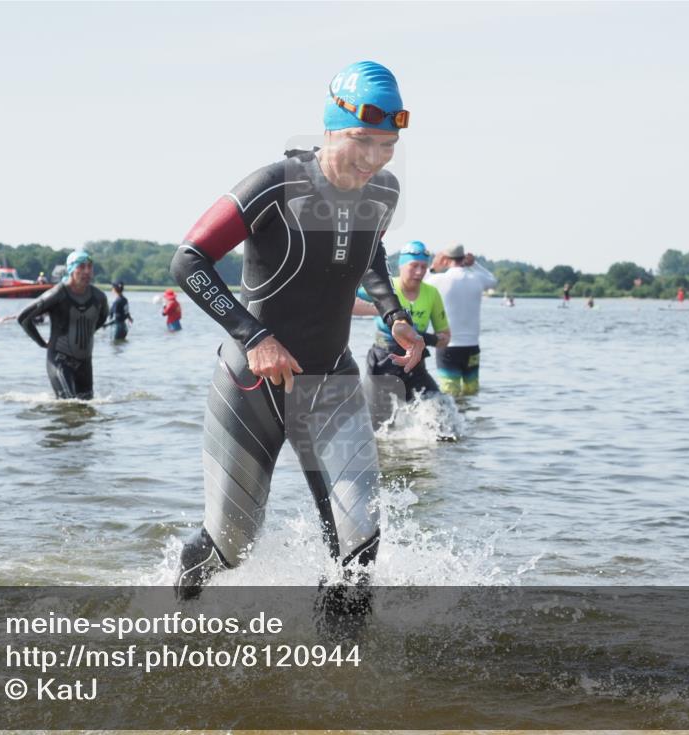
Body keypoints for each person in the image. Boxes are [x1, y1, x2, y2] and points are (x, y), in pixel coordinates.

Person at [169, 60, 423, 599]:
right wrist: (254, 336)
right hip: (250, 387)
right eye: (362, 140)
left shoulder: (384, 194)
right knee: (229, 546)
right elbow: (189, 261)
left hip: (331, 382)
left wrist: (394, 314)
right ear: (331, 127)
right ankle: (175, 627)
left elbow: (370, 252)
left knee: (360, 548)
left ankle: (339, 678)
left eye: (387, 145)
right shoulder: (274, 184)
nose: (374, 158)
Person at [354, 240, 449, 412]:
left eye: (423, 266)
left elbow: (445, 338)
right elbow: (347, 300)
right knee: (377, 422)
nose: (419, 272)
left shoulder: (432, 293)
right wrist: (381, 311)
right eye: (414, 266)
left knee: (441, 410)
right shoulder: (386, 287)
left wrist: (428, 338)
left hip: (415, 363)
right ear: (401, 266)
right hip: (384, 361)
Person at [17, 250, 109, 400]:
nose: (87, 271)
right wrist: (41, 343)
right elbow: (23, 318)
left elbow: (102, 318)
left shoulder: (99, 297)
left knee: (87, 409)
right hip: (60, 362)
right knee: (70, 406)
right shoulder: (58, 294)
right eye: (82, 266)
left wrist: (87, 333)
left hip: (85, 364)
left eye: (90, 266)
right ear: (71, 269)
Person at [425, 244, 497, 396]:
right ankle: (469, 417)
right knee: (472, 390)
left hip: (447, 345)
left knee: (450, 393)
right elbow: (493, 281)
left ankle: (456, 419)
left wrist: (433, 267)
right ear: (463, 257)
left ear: (445, 259)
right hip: (472, 346)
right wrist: (475, 264)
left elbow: (417, 282)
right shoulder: (477, 278)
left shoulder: (438, 279)